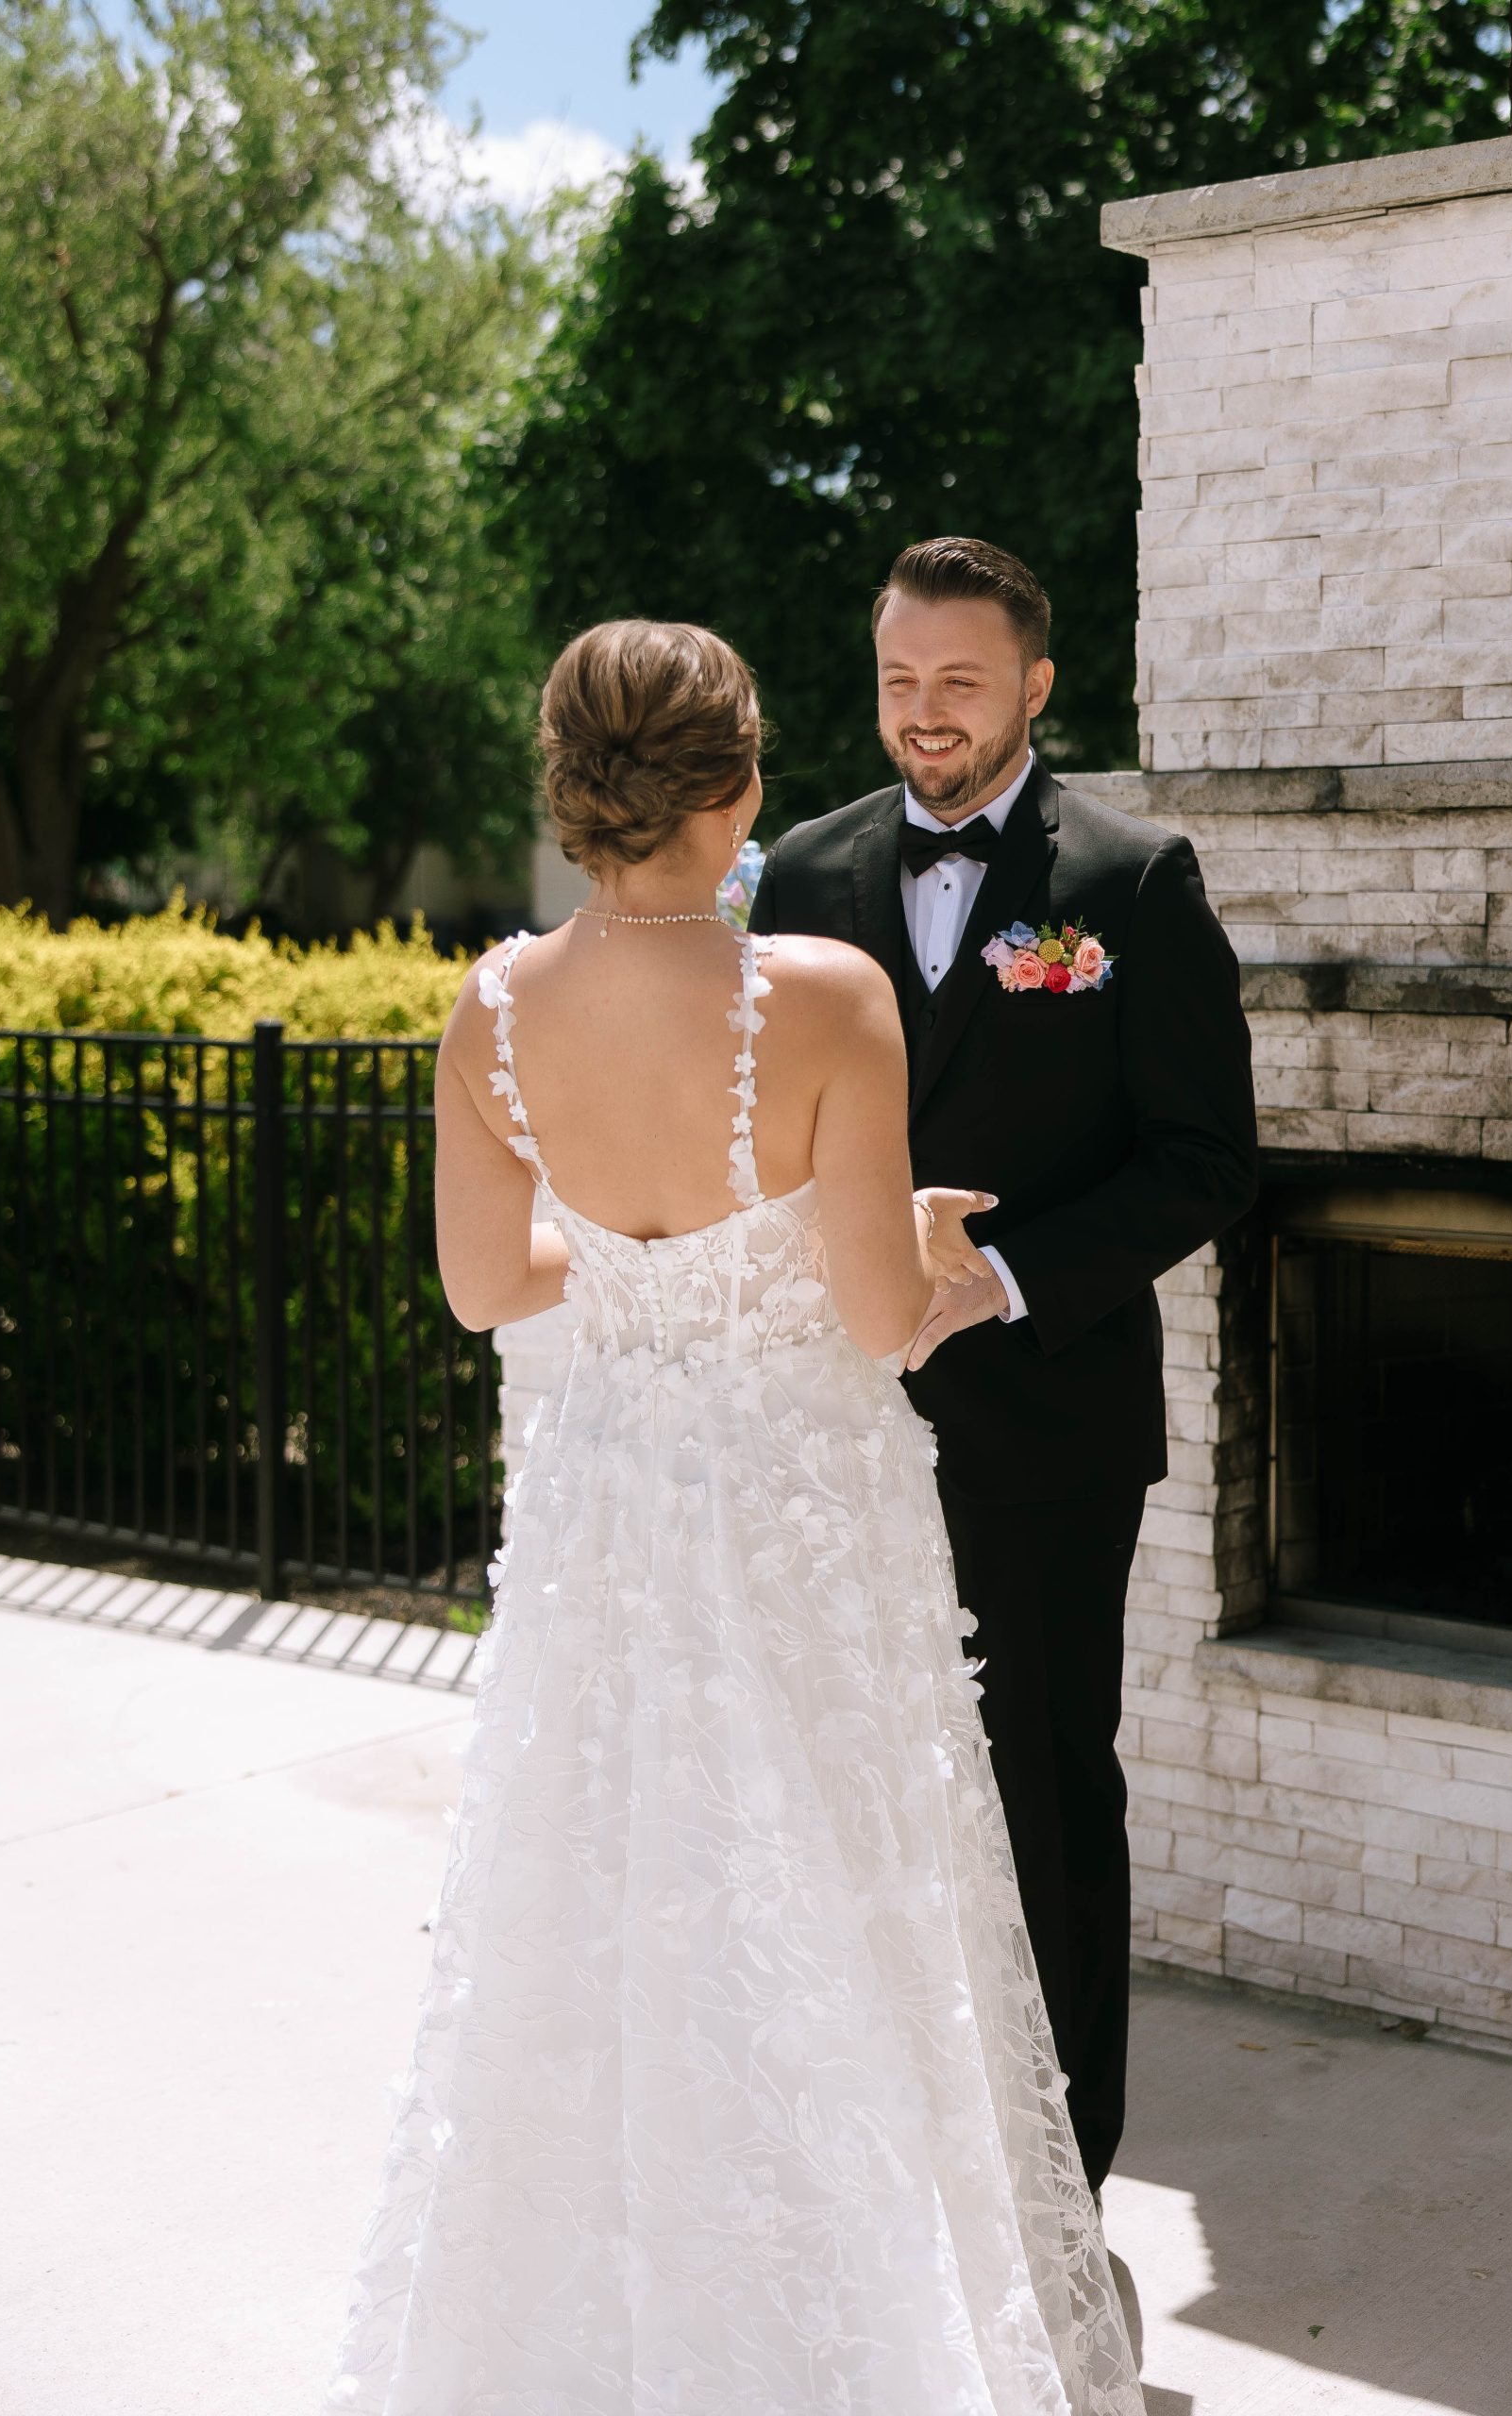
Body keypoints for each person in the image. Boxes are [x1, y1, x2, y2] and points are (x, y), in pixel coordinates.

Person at [322, 618, 1143, 2415]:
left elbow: (485, 1284)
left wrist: (643, 1273)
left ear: (569, 789)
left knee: (597, 1895)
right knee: (834, 1902)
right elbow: (869, 1316)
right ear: (743, 782)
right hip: (802, 1530)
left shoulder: (490, 1009)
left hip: (610, 1523)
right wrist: (881, 1237)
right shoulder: (828, 993)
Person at [749, 537, 1258, 2196]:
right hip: (840, 1426)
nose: (923, 714)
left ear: (1035, 684)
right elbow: (763, 1146)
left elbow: (1204, 1160)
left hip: (1043, 1432)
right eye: (898, 680)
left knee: (1039, 1791)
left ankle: (1057, 2182)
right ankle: (897, 2169)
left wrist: (1008, 1277)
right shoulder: (804, 879)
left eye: (958, 682)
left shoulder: (1131, 880)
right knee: (859, 1791)